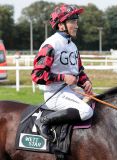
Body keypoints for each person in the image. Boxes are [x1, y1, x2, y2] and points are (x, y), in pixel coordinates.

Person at [31, 4, 93, 140]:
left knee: (98, 103)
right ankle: (44, 121)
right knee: (86, 111)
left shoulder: (73, 46)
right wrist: (63, 77)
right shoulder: (51, 45)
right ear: (61, 25)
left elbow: (78, 71)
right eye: (72, 21)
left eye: (76, 21)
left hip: (70, 92)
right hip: (55, 95)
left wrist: (85, 82)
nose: (76, 25)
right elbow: (37, 75)